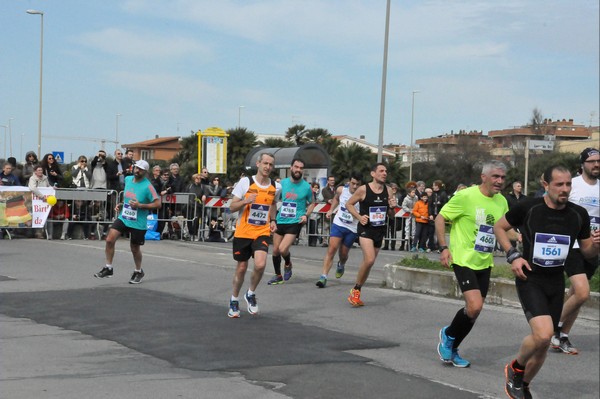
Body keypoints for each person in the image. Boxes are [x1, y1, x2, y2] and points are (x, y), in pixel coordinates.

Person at [494, 165, 599, 399]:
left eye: (568, 184)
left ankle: (524, 385)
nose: (564, 189)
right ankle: (516, 368)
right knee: (542, 335)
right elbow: (499, 227)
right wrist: (513, 256)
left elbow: (588, 253)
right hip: (529, 278)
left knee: (543, 344)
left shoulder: (578, 214)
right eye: (559, 184)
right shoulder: (529, 208)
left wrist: (596, 245)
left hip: (555, 282)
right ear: (546, 185)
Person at [434, 160, 509, 368]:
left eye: (502, 178)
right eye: (495, 176)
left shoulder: (501, 201)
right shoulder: (465, 196)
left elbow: (503, 228)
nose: (499, 181)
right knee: (474, 305)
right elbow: (440, 218)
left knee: (474, 310)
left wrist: (520, 237)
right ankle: (449, 335)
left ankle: (453, 345)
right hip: (463, 259)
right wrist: (443, 247)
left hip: (484, 261)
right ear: (483, 177)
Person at [552, 148, 599, 355]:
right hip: (571, 245)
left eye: (599, 161)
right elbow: (555, 206)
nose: (596, 165)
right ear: (582, 164)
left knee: (575, 294)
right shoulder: (572, 184)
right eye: (592, 161)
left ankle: (563, 336)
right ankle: (552, 327)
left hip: (593, 247)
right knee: (582, 292)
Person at [227, 153, 279, 318]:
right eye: (265, 163)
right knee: (242, 267)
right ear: (258, 164)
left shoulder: (275, 187)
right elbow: (232, 207)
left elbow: (273, 204)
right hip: (244, 231)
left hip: (262, 231)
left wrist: (273, 219)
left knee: (260, 264)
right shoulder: (245, 182)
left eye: (271, 164)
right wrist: (245, 201)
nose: (267, 167)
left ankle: (250, 293)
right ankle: (234, 299)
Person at [94, 160, 161, 284]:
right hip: (124, 217)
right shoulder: (128, 179)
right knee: (109, 239)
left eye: (140, 169)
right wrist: (121, 204)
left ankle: (138, 271)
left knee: (134, 248)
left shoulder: (148, 186)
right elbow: (128, 197)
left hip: (138, 221)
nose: (137, 170)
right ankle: (108, 268)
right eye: (136, 168)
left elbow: (158, 203)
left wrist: (140, 205)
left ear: (145, 172)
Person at [345, 162, 397, 306]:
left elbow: (391, 215)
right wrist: (359, 217)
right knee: (369, 260)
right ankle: (355, 290)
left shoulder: (389, 191)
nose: (384, 173)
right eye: (381, 171)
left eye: (386, 171)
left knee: (369, 264)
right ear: (373, 174)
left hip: (379, 230)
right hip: (365, 229)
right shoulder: (363, 189)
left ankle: (357, 290)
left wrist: (393, 208)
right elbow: (348, 204)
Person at [267, 158, 315, 285]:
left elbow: (312, 203)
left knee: (283, 249)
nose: (298, 170)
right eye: (296, 167)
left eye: (301, 168)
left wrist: (306, 215)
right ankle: (278, 276)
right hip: (280, 219)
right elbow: (273, 202)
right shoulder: (282, 184)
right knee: (276, 250)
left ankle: (288, 263)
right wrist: (272, 219)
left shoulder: (306, 187)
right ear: (291, 168)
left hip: (295, 221)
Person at [316, 171, 362, 288]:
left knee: (343, 253)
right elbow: (336, 198)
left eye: (357, 184)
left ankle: (341, 264)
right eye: (353, 183)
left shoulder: (362, 194)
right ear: (349, 181)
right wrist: (331, 210)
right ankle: (323, 277)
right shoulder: (341, 190)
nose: (355, 186)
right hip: (339, 223)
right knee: (331, 249)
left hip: (352, 228)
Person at [28, 165, 51, 239]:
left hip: (44, 201)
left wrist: (52, 188)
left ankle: (42, 232)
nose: (40, 171)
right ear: (35, 171)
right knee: (36, 215)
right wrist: (41, 196)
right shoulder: (32, 178)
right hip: (36, 200)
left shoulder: (45, 178)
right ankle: (37, 233)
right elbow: (33, 188)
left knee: (42, 215)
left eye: (41, 170)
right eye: (39, 170)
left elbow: (48, 186)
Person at [428, 180, 448, 252]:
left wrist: (442, 215)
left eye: (434, 185)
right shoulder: (433, 194)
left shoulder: (443, 194)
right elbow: (430, 205)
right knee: (431, 231)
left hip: (440, 215)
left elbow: (445, 205)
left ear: (437, 186)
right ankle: (431, 246)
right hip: (433, 215)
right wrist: (430, 214)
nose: (432, 187)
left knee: (439, 232)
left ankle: (440, 247)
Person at [383, 183, 402, 251]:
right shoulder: (386, 195)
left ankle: (393, 246)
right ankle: (386, 245)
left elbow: (401, 205)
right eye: (393, 188)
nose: (394, 190)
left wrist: (396, 206)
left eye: (395, 188)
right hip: (387, 215)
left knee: (394, 231)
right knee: (386, 230)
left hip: (396, 216)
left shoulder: (399, 196)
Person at [402, 185, 418, 251]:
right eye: (412, 192)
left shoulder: (416, 197)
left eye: (414, 192)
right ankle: (407, 235)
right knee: (407, 224)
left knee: (414, 225)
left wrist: (415, 210)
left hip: (414, 213)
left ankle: (413, 235)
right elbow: (404, 206)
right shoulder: (406, 199)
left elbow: (417, 204)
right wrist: (409, 210)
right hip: (408, 213)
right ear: (409, 193)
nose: (414, 194)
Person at [308, 182, 324, 247]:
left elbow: (321, 199)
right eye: (314, 187)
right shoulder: (309, 193)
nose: (315, 188)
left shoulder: (319, 194)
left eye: (317, 187)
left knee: (314, 227)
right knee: (310, 228)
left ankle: (314, 242)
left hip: (316, 215)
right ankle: (311, 241)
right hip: (309, 214)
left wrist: (317, 194)